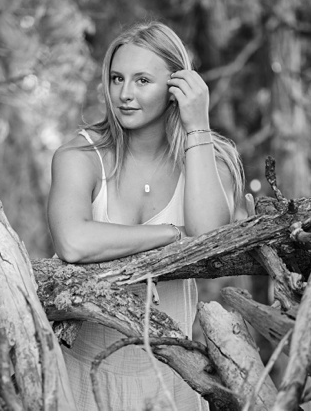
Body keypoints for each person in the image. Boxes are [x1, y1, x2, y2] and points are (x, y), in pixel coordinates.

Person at [47, 21, 249, 410]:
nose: (124, 94)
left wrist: (198, 125)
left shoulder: (208, 157)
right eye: (117, 78)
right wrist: (171, 234)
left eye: (142, 80)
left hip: (172, 378)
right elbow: (73, 243)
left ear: (177, 87)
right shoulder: (78, 157)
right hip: (76, 374)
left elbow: (207, 238)